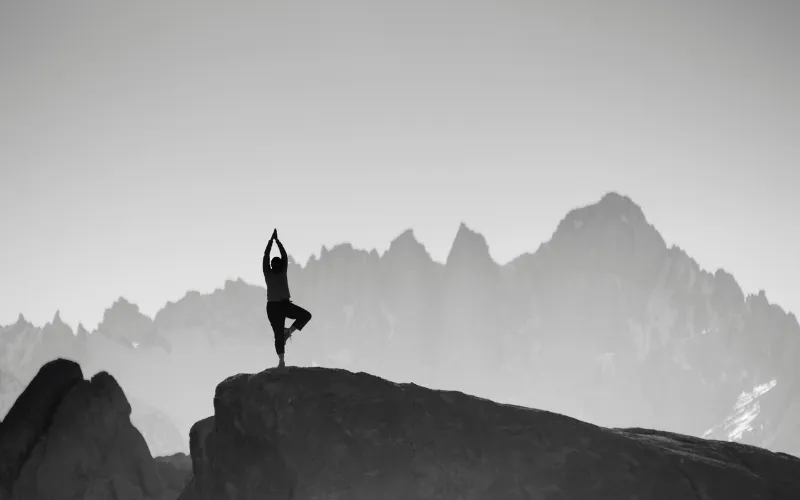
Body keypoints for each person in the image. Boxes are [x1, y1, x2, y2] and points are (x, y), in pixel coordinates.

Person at [263, 229, 312, 369]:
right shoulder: (278, 272)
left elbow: (267, 256)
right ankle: (282, 361)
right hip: (276, 306)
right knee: (278, 334)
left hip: (278, 306)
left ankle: (286, 339)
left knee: (304, 317)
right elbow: (282, 255)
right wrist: (276, 242)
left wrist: (272, 242)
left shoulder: (268, 272)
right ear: (275, 265)